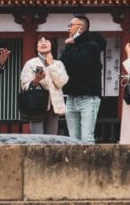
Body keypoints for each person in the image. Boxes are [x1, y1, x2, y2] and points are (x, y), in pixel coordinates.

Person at [59, 14, 105, 144]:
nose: (68, 29)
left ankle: (89, 164)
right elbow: (62, 65)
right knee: (73, 139)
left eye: (71, 25)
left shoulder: (92, 46)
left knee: (87, 138)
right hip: (71, 97)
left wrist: (69, 46)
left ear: (81, 28)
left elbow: (78, 62)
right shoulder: (71, 45)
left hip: (88, 98)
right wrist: (70, 45)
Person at [19, 36, 69, 135]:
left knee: (51, 139)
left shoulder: (58, 64)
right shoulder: (30, 64)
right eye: (40, 41)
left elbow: (61, 82)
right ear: (36, 47)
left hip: (53, 105)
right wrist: (36, 80)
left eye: (46, 40)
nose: (43, 43)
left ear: (52, 45)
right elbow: (24, 85)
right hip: (36, 104)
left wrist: (51, 65)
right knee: (37, 138)